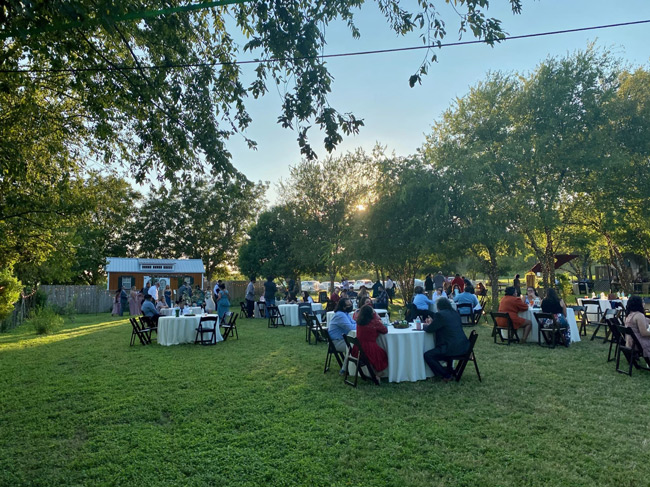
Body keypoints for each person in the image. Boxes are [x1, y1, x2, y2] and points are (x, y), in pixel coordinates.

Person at [423, 298, 470, 382]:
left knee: (428, 355)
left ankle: (446, 374)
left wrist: (425, 325)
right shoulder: (455, 313)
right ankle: (449, 369)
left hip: (450, 347)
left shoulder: (440, 315)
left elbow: (430, 329)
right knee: (440, 351)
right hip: (464, 346)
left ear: (438, 307)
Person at [353, 304, 388, 374]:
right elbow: (385, 330)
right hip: (369, 347)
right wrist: (376, 317)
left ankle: (372, 373)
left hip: (358, 347)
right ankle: (377, 374)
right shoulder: (374, 322)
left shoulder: (359, 322)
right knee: (383, 355)